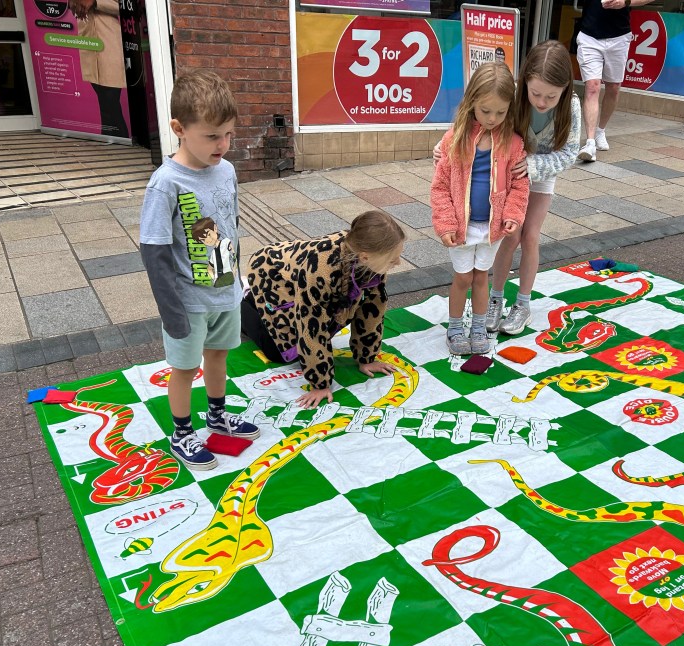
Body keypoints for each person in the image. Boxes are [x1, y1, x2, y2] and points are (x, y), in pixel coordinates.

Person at [140, 69, 260, 471]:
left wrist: (237, 280)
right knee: (185, 366)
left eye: (228, 134)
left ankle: (216, 415)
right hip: (187, 302)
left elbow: (231, 226)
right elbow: (154, 251)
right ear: (179, 128)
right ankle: (181, 431)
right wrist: (170, 311)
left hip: (224, 290)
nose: (223, 145)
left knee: (219, 357)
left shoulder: (225, 170)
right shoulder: (166, 183)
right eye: (211, 136)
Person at [242, 210, 406, 408]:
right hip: (270, 273)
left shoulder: (371, 262)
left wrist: (367, 358)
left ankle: (256, 304)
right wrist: (320, 383)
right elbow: (310, 327)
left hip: (304, 276)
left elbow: (372, 312)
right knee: (279, 352)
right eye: (392, 260)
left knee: (337, 316)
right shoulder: (321, 270)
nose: (398, 263)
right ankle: (245, 301)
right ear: (364, 257)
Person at [431, 62, 530, 357]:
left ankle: (477, 326)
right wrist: (446, 224)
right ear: (472, 100)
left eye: (500, 112)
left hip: (491, 228)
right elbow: (440, 187)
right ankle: (454, 327)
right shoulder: (454, 139)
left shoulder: (512, 143)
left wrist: (512, 215)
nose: (492, 118)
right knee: (462, 277)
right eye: (485, 111)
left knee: (481, 277)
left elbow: (519, 187)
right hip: (460, 228)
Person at [489, 40, 581, 335]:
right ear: (524, 81)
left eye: (551, 96)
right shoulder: (513, 96)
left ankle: (523, 304)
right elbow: (482, 121)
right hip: (513, 171)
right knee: (510, 233)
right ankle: (494, 299)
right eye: (536, 93)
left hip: (542, 173)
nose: (542, 102)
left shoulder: (572, 107)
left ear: (565, 89)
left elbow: (569, 154)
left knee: (530, 236)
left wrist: (534, 165)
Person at [575, 0, 651, 162]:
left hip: (619, 36)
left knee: (613, 87)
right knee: (592, 86)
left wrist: (626, 2)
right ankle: (589, 142)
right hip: (589, 34)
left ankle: (600, 130)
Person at [69, 0, 129, 139]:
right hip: (88, 42)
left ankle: (117, 142)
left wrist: (95, 2)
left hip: (109, 41)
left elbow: (126, 8)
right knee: (105, 104)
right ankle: (110, 142)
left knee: (110, 102)